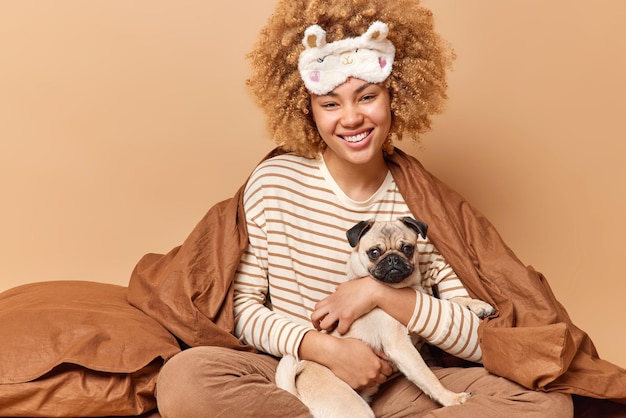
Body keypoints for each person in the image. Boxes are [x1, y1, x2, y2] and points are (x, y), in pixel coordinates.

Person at [147, 0, 624, 417]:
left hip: (404, 382)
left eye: (367, 96)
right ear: (307, 111)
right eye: (330, 103)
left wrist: (377, 295)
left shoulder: (421, 203)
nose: (351, 117)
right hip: (298, 376)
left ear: (396, 96)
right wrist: (326, 349)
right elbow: (245, 310)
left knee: (548, 403)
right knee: (185, 380)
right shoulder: (275, 184)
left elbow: (479, 336)